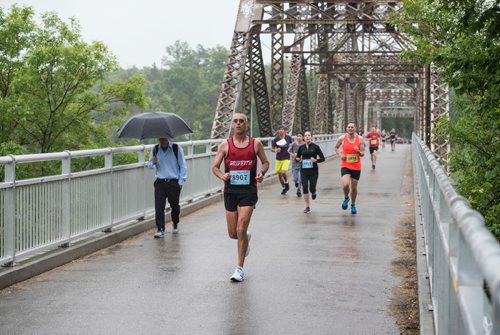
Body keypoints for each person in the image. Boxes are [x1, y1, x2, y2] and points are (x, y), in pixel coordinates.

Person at [211, 113, 269, 282]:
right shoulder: (225, 145)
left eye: (241, 121)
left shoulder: (255, 144)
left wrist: (261, 172)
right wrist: (222, 175)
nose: (238, 123)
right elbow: (215, 167)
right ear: (232, 125)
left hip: (248, 191)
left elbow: (265, 162)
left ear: (246, 124)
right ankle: (245, 239)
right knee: (233, 233)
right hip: (230, 191)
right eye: (235, 121)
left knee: (241, 228)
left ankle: (239, 269)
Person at [147, 137, 187, 237]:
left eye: (164, 138)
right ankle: (160, 229)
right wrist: (153, 162)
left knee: (175, 205)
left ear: (168, 137)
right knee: (159, 206)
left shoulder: (176, 148)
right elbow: (149, 165)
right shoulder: (155, 149)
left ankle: (175, 222)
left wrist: (181, 181)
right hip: (160, 181)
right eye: (160, 138)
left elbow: (182, 165)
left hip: (173, 182)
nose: (162, 140)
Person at [334, 123, 365, 214]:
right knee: (346, 184)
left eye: (352, 127)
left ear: (355, 128)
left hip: (356, 166)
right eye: (349, 127)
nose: (350, 128)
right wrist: (340, 155)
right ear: (346, 128)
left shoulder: (360, 139)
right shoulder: (342, 138)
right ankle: (346, 198)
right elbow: (336, 147)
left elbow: (363, 153)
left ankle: (353, 205)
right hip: (345, 165)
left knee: (354, 187)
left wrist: (358, 151)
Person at [295, 130, 325, 214]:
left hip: (313, 171)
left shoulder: (315, 147)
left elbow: (323, 158)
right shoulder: (301, 148)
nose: (307, 137)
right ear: (304, 138)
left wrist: (316, 160)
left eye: (309, 135)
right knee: (304, 187)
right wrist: (297, 159)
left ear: (311, 137)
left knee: (312, 187)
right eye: (305, 135)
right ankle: (307, 206)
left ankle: (313, 191)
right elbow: (297, 158)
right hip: (304, 170)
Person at [271, 125, 293, 195]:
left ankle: (286, 182)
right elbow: (272, 149)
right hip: (279, 158)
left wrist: (292, 151)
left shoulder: (288, 138)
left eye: (282, 129)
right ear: (278, 131)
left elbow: (292, 145)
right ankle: (284, 187)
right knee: (279, 174)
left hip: (286, 157)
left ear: (284, 131)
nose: (281, 130)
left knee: (283, 172)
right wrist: (276, 150)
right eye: (280, 129)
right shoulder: (275, 139)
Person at [288, 131, 304, 197]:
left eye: (300, 136)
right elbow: (288, 150)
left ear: (302, 137)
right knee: (295, 178)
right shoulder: (293, 144)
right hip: (294, 163)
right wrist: (292, 155)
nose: (299, 137)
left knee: (300, 178)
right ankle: (296, 183)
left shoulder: (304, 144)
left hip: (302, 163)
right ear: (296, 137)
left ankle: (299, 190)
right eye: (298, 136)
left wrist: (301, 156)